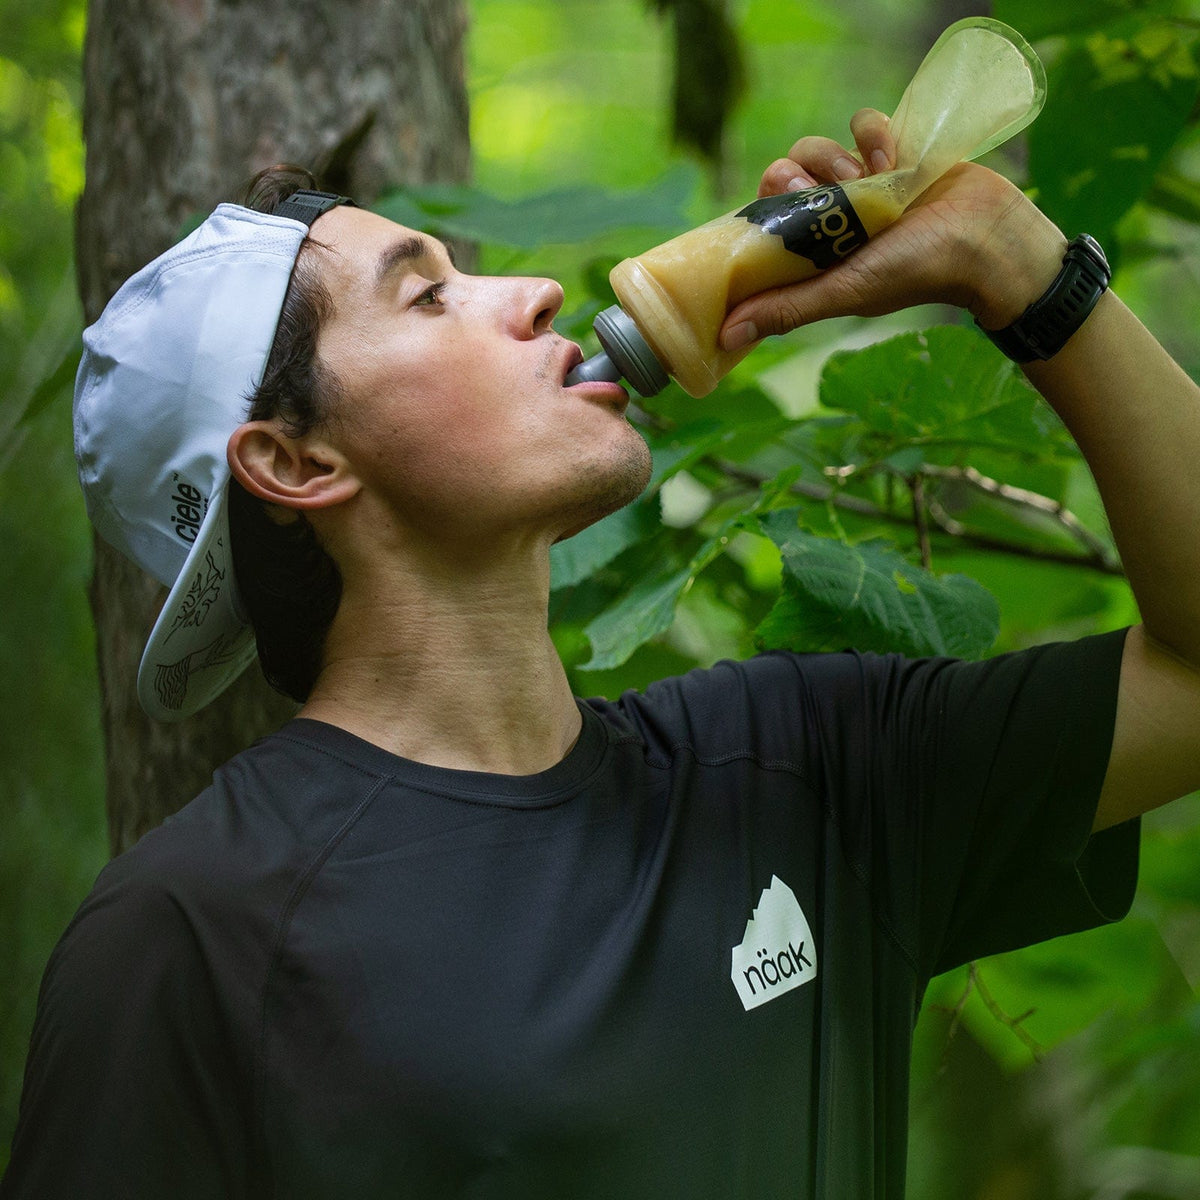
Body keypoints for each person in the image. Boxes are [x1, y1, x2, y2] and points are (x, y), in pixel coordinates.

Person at [2, 108, 1198, 1199]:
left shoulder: (803, 770)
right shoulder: (186, 937)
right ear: (299, 465)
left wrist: (1015, 263)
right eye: (426, 298)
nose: (528, 292)